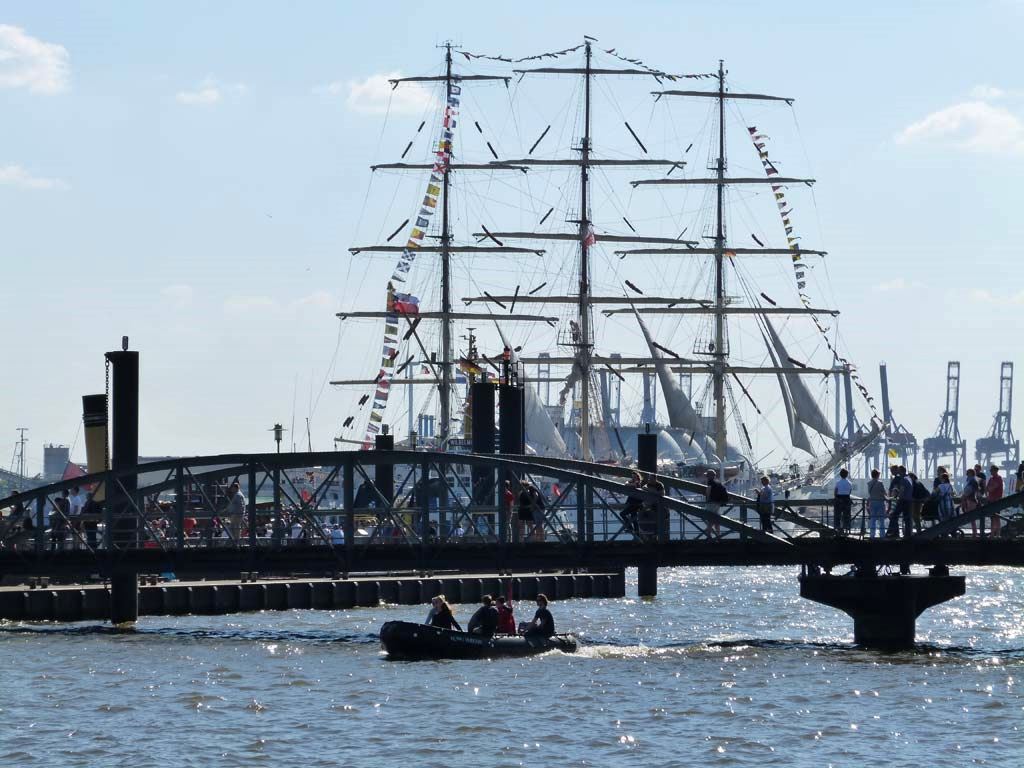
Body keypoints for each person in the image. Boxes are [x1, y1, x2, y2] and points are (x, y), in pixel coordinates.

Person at [620, 472, 644, 537]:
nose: (633, 478)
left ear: (637, 477)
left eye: (634, 476)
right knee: (634, 518)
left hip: (635, 504)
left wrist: (629, 483)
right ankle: (637, 534)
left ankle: (630, 528)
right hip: (634, 503)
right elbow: (626, 484)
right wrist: (628, 483)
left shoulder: (638, 483)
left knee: (622, 514)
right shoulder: (634, 482)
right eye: (632, 476)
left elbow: (631, 485)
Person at [705, 470, 728, 537]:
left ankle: (708, 533)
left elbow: (709, 490)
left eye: (707, 475)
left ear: (709, 476)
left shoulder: (710, 482)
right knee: (716, 518)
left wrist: (707, 499)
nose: (706, 476)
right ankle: (718, 534)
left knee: (711, 518)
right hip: (717, 503)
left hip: (711, 502)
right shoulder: (718, 482)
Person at [866, 469, 887, 538]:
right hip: (880, 502)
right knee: (881, 520)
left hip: (872, 502)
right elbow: (884, 493)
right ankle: (882, 535)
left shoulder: (869, 483)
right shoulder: (880, 483)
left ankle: (872, 535)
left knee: (873, 520)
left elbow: (870, 493)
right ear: (877, 475)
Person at [962, 468, 982, 536]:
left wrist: (964, 496)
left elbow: (968, 491)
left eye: (968, 473)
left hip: (971, 500)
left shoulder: (972, 480)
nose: (967, 475)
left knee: (971, 517)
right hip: (972, 500)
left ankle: (974, 533)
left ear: (971, 473)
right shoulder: (974, 480)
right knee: (972, 518)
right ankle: (974, 532)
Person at [833, 469, 853, 534]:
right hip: (847, 499)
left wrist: (836, 498)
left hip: (839, 499)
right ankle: (847, 528)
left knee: (837, 515)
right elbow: (849, 492)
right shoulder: (849, 483)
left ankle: (837, 528)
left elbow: (835, 491)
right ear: (847, 475)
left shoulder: (838, 483)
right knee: (846, 515)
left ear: (840, 475)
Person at [987, 466, 1004, 537]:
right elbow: (987, 488)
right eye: (990, 470)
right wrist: (990, 488)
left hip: (997, 500)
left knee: (997, 517)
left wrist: (990, 488)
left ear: (996, 471)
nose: (990, 472)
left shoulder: (999, 478)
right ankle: (992, 533)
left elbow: (993, 488)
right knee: (992, 517)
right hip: (991, 499)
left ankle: (998, 534)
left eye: (992, 470)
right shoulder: (991, 479)